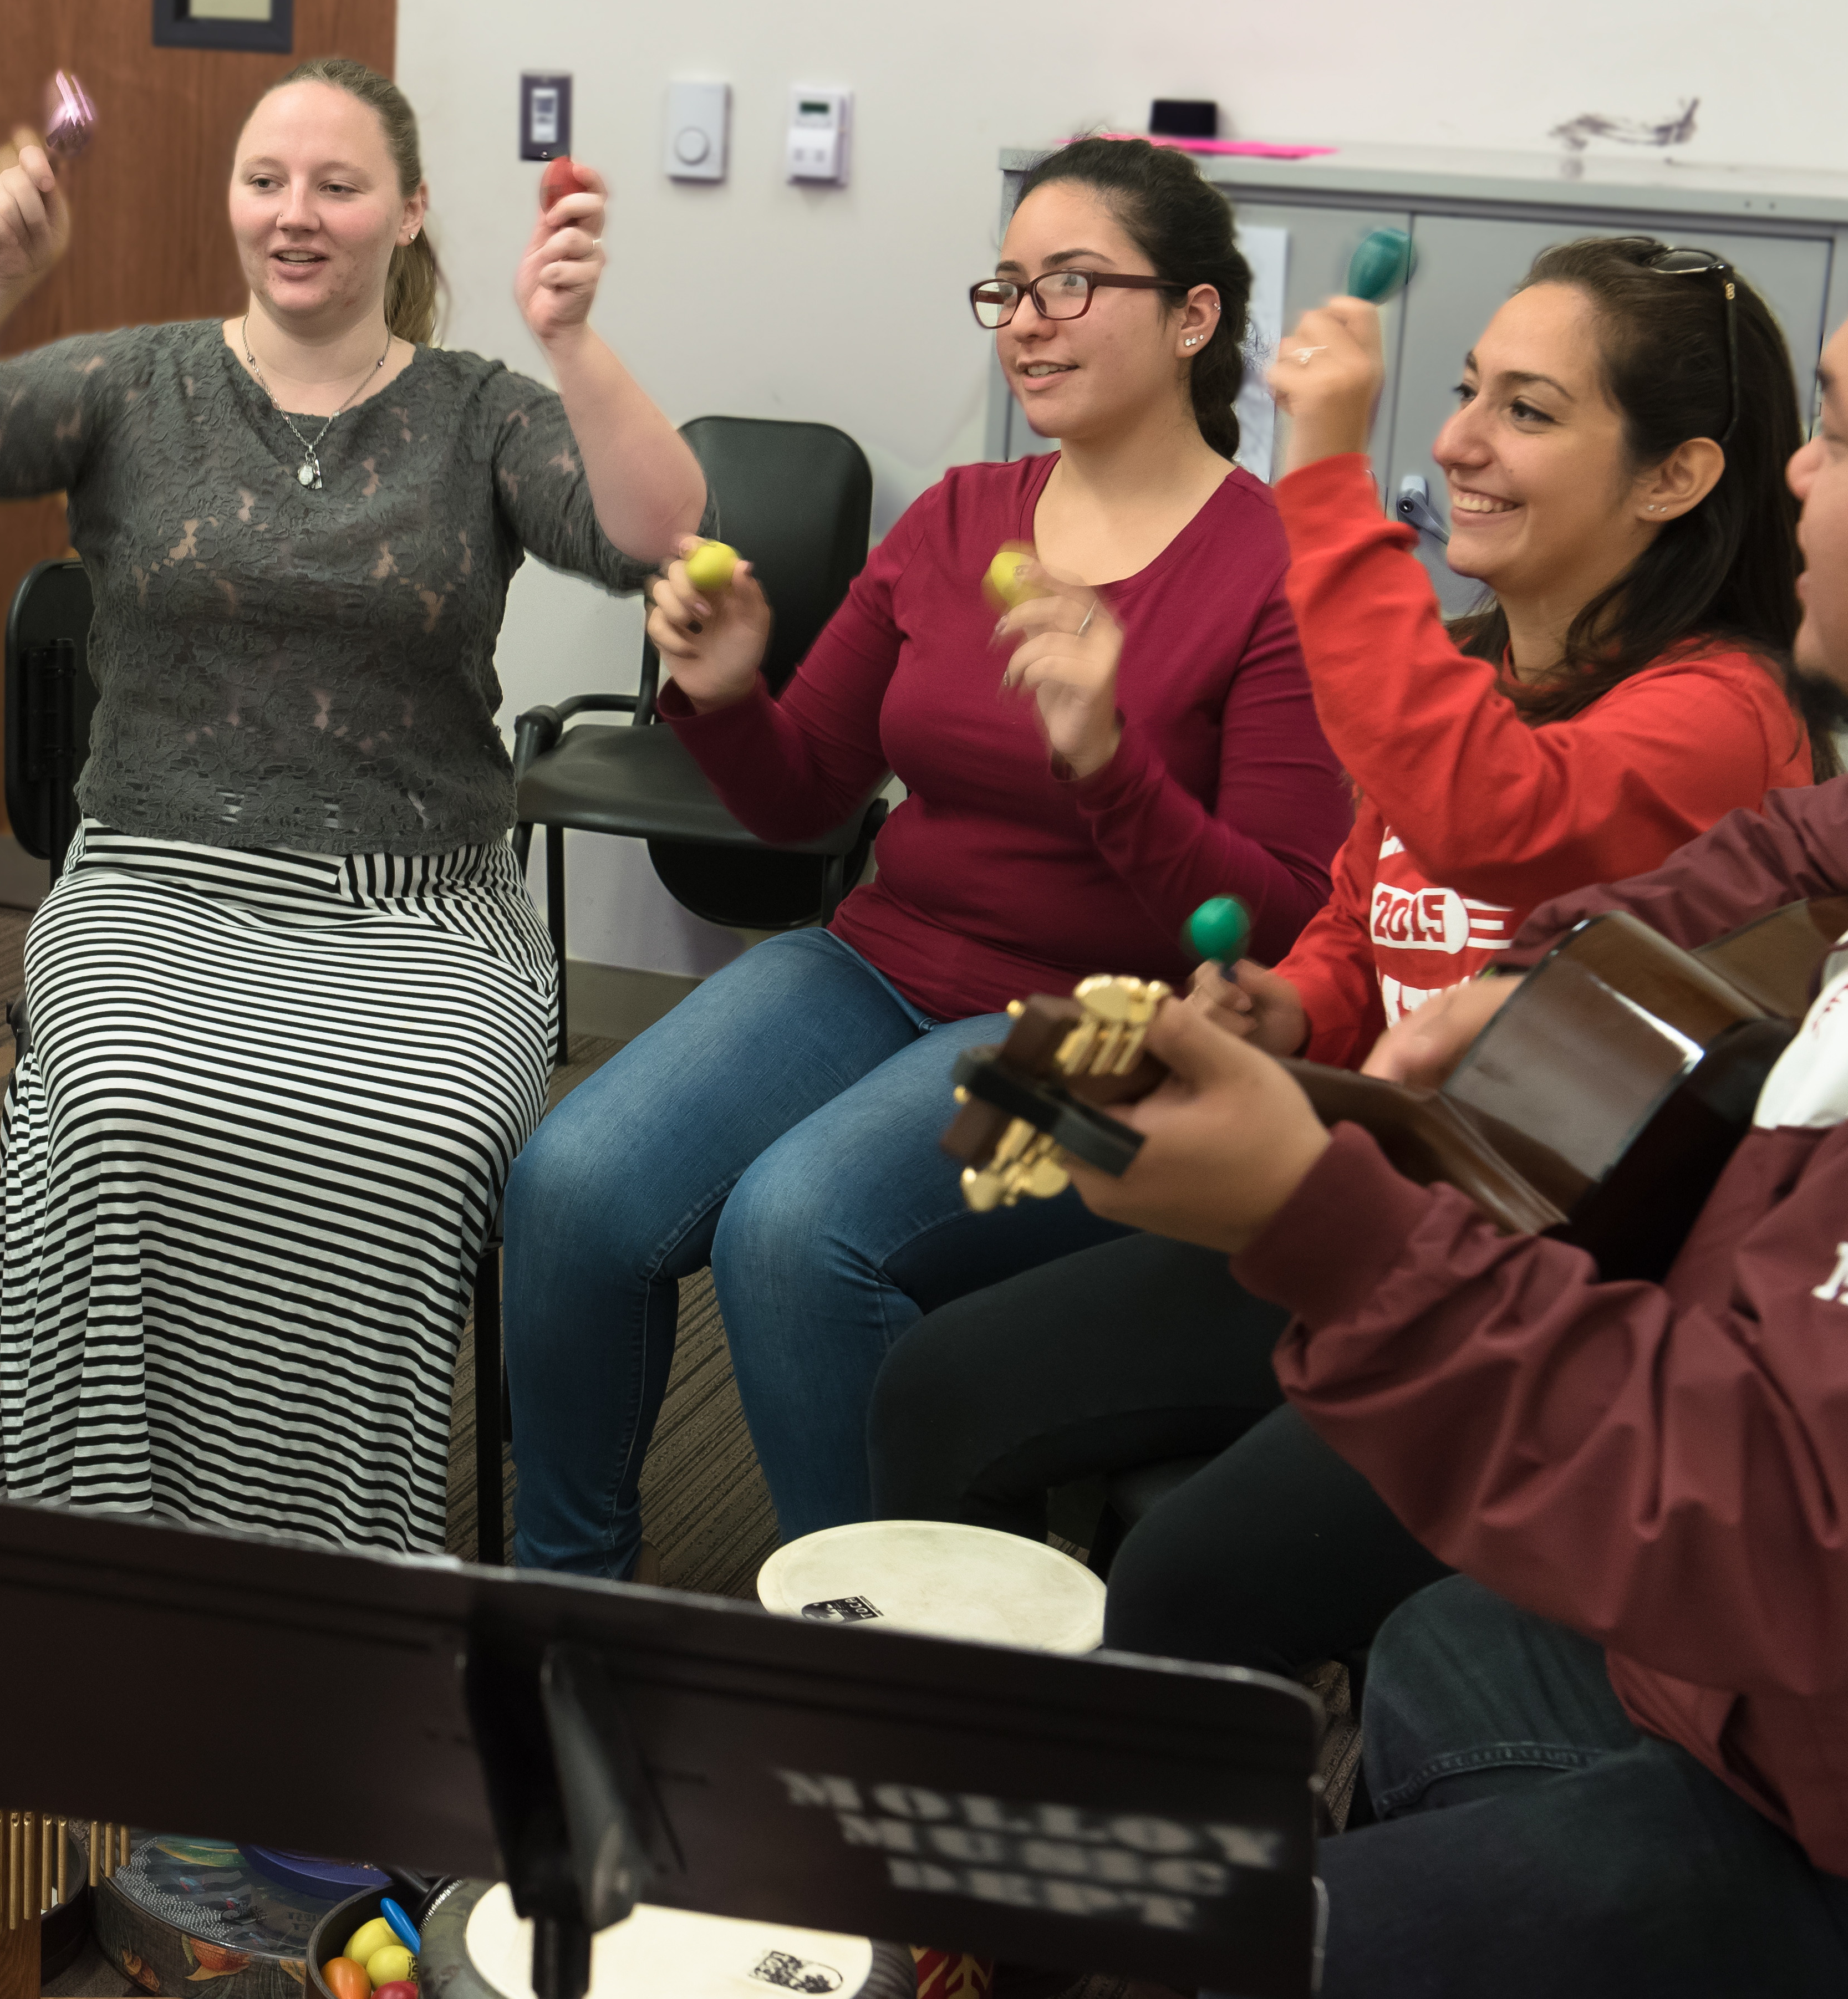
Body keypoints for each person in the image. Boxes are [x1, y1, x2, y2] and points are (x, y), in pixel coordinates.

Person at [1080, 147, 1848, 1999]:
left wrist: (1320, 1224)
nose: (1806, 469)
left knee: (1243, 1949)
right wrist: (1530, 974)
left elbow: (1781, 1522)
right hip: (1792, 1677)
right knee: (1445, 1658)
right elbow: (1801, 849)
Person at [869, 238, 1820, 1688]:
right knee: (943, 1390)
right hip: (1366, 1215)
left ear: (1676, 478)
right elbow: (1361, 919)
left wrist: (1318, 467)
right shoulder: (1465, 657)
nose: (1458, 441)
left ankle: (1166, 1869)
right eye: (1461, 393)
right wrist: (1291, 1005)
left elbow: (1484, 811)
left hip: (1532, 1308)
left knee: (1186, 1574)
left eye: (1530, 409)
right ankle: (962, 1790)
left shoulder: (1722, 714)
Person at [0, 55, 705, 1554]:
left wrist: (573, 342)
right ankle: (110, 1555)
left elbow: (658, 529)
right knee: (115, 1111)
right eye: (265, 180)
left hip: (420, 904)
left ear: (410, 212)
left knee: (415, 1138)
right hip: (157, 881)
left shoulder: (479, 413)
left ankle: (335, 1573)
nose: (295, 215)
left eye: (338, 185)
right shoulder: (131, 382)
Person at [503, 137, 1354, 1575]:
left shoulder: (1273, 570)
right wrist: (722, 693)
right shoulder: (960, 518)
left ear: (1198, 316)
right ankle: (563, 1599)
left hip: (1115, 1038)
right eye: (1008, 287)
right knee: (574, 1182)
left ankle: (889, 1669)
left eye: (1071, 284)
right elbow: (802, 799)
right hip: (883, 968)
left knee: (799, 1232)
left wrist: (1109, 762)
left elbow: (1278, 925)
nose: (1026, 318)